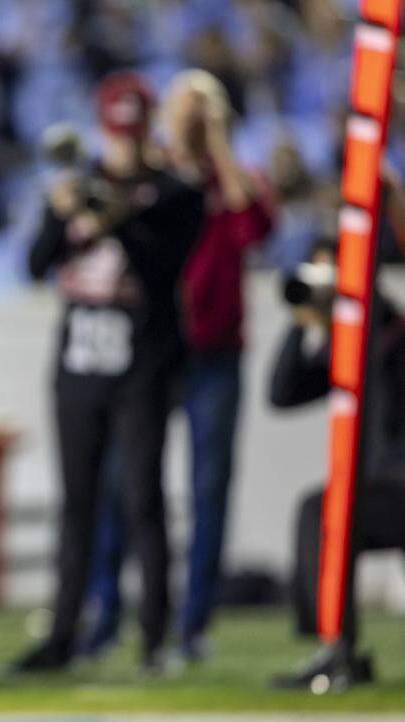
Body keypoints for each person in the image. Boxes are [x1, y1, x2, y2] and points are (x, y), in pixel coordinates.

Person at [12, 72, 205, 673]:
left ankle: (153, 637)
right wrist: (66, 214)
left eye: (133, 134)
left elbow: (165, 270)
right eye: (117, 135)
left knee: (144, 497)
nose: (124, 147)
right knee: (78, 502)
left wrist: (116, 218)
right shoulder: (79, 185)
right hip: (79, 362)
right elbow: (35, 263)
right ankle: (65, 633)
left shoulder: (174, 193)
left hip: (141, 362)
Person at [83, 69, 275, 662]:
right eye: (181, 109)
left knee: (207, 487)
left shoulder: (234, 179)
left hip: (214, 348)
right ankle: (108, 614)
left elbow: (253, 228)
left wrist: (218, 144)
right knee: (123, 485)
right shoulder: (157, 178)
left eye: (201, 110)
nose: (187, 120)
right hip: (155, 348)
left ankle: (191, 626)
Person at [269, 241, 405, 688]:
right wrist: (302, 323)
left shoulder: (388, 333)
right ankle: (335, 646)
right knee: (322, 509)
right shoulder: (342, 342)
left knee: (322, 508)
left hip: (397, 483)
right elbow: (283, 393)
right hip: (378, 488)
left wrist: (354, 310)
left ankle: (337, 648)